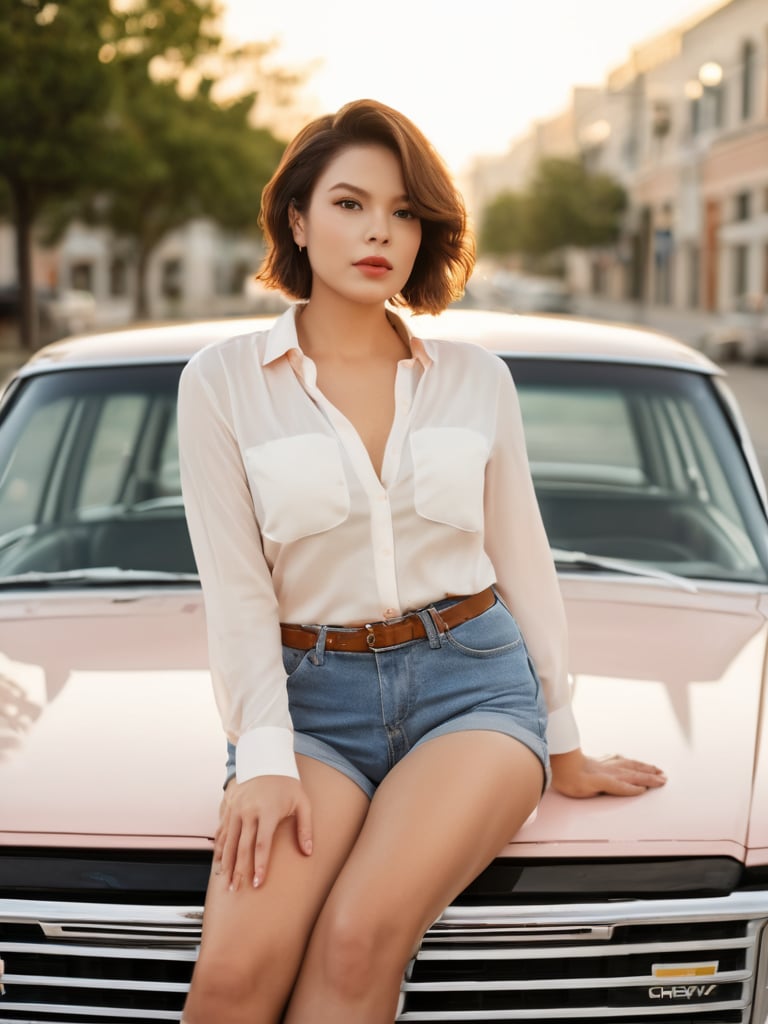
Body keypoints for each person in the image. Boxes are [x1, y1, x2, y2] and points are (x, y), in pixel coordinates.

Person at [177, 98, 666, 1024]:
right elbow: (234, 587)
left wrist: (562, 737)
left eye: (404, 213)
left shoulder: (476, 378)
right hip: (307, 698)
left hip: (471, 688)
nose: (380, 233)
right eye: (352, 205)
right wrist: (264, 755)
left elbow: (523, 558)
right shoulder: (223, 381)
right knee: (234, 978)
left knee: (360, 938)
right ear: (297, 218)